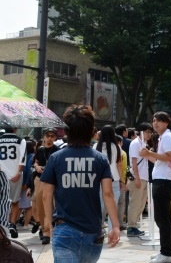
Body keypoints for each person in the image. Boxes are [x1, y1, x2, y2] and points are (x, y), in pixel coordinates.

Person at [40, 104, 120, 262]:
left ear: (66, 131)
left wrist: (49, 222)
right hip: (93, 231)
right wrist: (115, 226)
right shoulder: (100, 159)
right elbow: (108, 194)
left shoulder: (56, 158)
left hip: (65, 230)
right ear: (91, 131)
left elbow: (46, 195)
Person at [139, 112, 171, 263]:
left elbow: (169, 157)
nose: (155, 123)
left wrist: (149, 152)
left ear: (166, 123)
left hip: (163, 181)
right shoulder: (164, 137)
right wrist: (148, 155)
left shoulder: (167, 137)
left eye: (159, 121)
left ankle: (166, 253)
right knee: (165, 218)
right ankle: (167, 251)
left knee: (162, 218)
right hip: (162, 179)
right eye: (154, 120)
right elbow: (161, 161)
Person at [31, 127, 60, 244]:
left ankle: (51, 229)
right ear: (44, 137)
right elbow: (36, 161)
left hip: (53, 181)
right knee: (40, 204)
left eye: (52, 136)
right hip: (40, 179)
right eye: (47, 136)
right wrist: (37, 166)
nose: (49, 138)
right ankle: (44, 230)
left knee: (53, 205)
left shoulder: (57, 150)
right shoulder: (40, 149)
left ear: (55, 138)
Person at [0, 126, 27, 239]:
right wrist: (19, 173)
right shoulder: (21, 140)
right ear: (15, 129)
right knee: (15, 202)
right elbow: (22, 158)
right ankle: (12, 224)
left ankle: (2, 224)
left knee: (2, 201)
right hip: (15, 175)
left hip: (1, 175)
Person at [127, 122, 152, 237]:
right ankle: (131, 226)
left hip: (144, 177)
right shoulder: (135, 143)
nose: (150, 134)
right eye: (147, 131)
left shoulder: (144, 144)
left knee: (141, 203)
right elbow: (134, 162)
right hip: (138, 177)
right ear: (141, 132)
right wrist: (137, 178)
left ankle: (134, 225)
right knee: (135, 203)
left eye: (150, 132)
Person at [96, 125, 122, 232]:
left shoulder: (96, 147)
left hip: (99, 180)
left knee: (99, 206)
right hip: (114, 178)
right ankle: (113, 230)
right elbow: (119, 165)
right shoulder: (116, 147)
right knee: (113, 206)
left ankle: (99, 228)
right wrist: (122, 180)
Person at [116, 135, 128, 230]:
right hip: (120, 180)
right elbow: (120, 167)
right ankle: (119, 223)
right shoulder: (121, 152)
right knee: (120, 203)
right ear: (120, 142)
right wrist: (122, 181)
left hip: (113, 180)